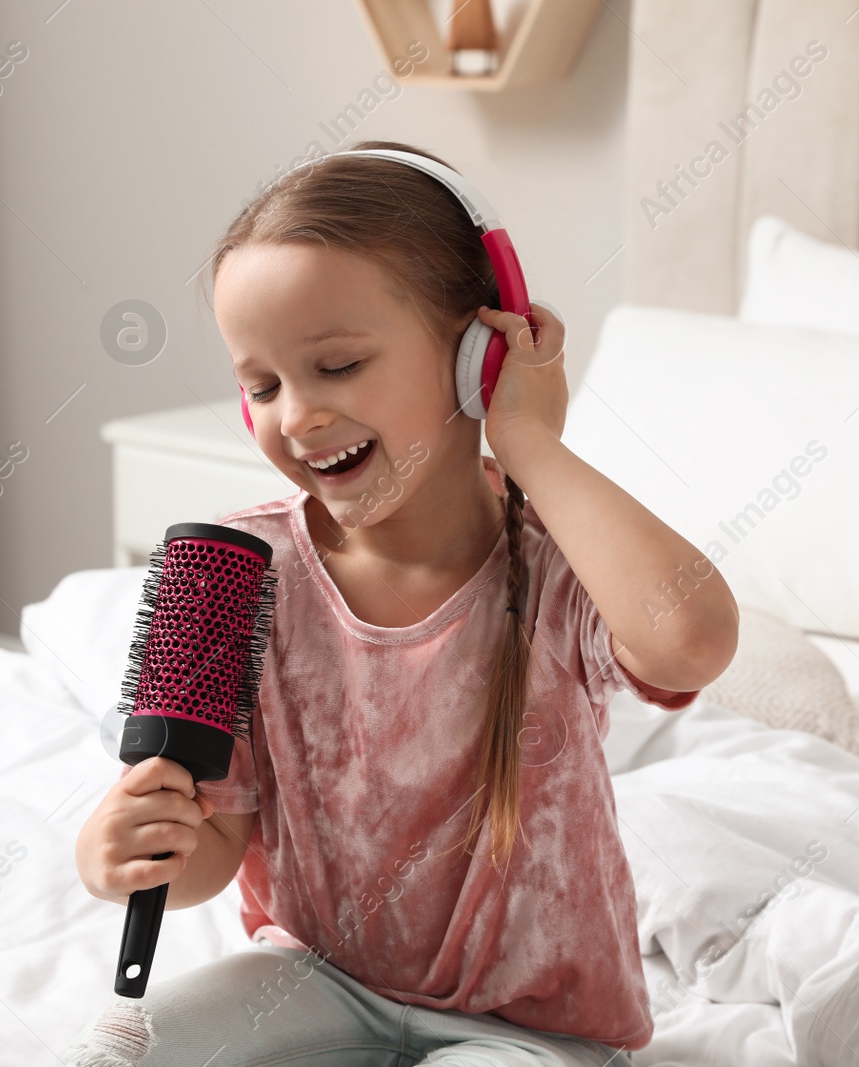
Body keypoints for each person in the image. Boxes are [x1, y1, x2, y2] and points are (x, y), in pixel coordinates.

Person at [71, 140, 740, 1066]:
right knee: (120, 1048)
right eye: (261, 385)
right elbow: (219, 845)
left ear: (477, 357)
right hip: (314, 981)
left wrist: (532, 438)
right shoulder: (245, 567)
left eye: (337, 365)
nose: (296, 414)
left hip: (530, 1027)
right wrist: (129, 852)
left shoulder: (553, 563)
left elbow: (692, 641)